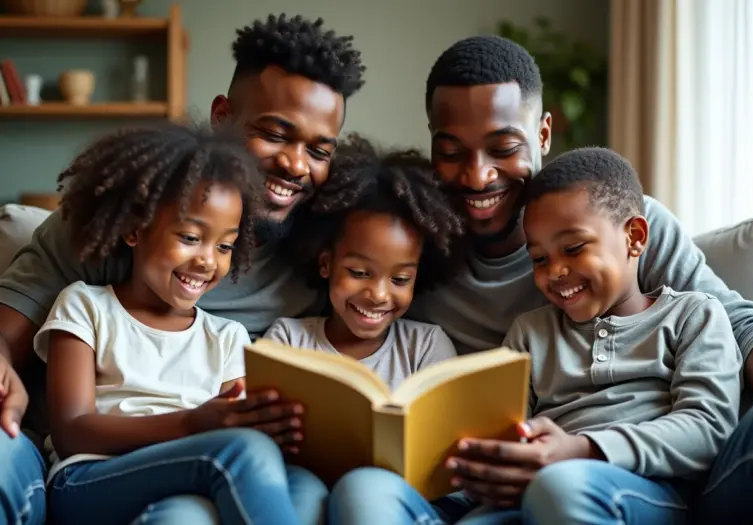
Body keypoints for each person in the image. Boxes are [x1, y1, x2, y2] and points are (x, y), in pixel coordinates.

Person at [0, 13, 365, 525]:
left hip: (189, 476)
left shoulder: (323, 262)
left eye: (318, 150)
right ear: (222, 117)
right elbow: (36, 378)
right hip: (87, 469)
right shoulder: (92, 273)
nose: (296, 165)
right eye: (276, 134)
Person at [327, 147, 743, 525]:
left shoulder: (694, 315)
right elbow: (502, 429)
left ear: (634, 237)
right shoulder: (530, 332)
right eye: (539, 259)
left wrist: (582, 449)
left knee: (560, 487)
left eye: (575, 248)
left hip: (638, 493)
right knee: (363, 488)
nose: (555, 272)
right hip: (523, 500)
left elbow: (708, 428)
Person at [38, 123, 328, 525]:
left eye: (225, 246)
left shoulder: (227, 338)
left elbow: (240, 424)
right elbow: (72, 432)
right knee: (241, 453)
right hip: (88, 479)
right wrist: (191, 423)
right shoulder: (86, 306)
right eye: (191, 237)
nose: (208, 260)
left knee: (291, 487)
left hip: (187, 481)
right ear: (134, 229)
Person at [264, 135, 464, 390]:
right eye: (359, 273)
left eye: (400, 279)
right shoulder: (288, 340)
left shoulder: (426, 347)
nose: (378, 295)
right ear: (326, 263)